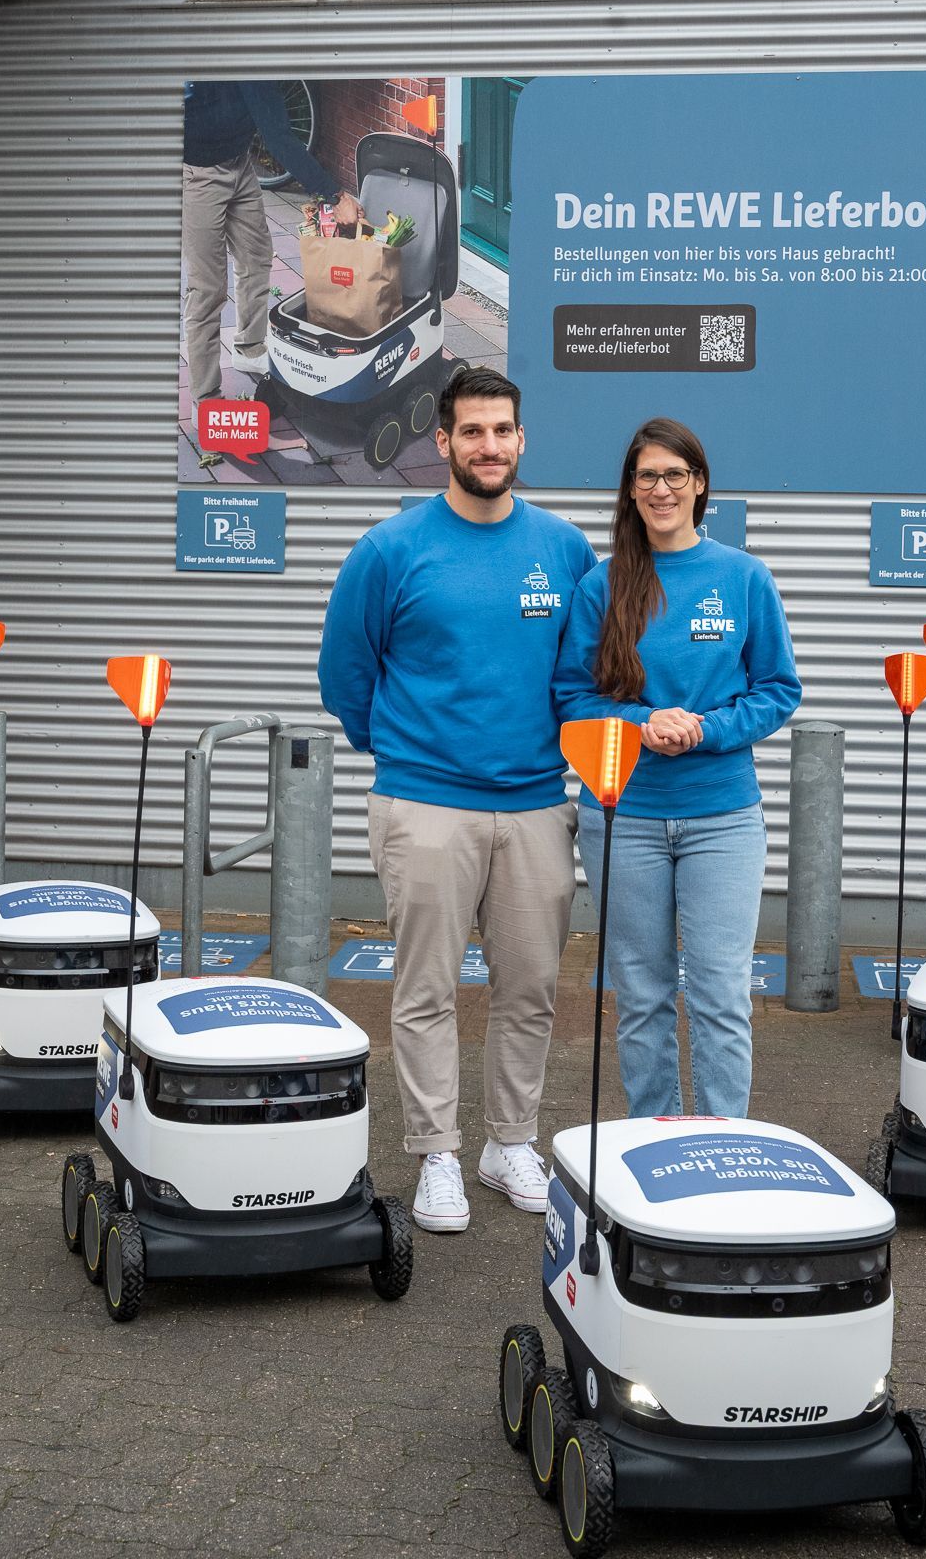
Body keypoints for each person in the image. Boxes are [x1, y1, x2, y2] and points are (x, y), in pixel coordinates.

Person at [317, 367, 596, 1232]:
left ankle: (509, 1140)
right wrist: (407, 752)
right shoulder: (391, 550)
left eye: (502, 431)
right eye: (470, 432)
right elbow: (345, 675)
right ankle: (437, 1151)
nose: (488, 446)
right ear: (440, 442)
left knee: (531, 986)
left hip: (537, 806)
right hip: (425, 805)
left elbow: (580, 675)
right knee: (426, 989)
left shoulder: (563, 550)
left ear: (522, 440)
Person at [554, 417, 800, 1120]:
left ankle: (723, 1138)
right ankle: (654, 1137)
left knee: (721, 991)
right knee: (641, 992)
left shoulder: (743, 577)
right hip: (621, 817)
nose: (661, 489)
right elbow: (571, 698)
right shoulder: (604, 586)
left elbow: (778, 689)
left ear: (699, 486)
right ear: (630, 492)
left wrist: (705, 730)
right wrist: (642, 724)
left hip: (722, 817)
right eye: (646, 477)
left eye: (675, 476)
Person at [180, 80, 362, 447]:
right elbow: (279, 138)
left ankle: (248, 348)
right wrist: (335, 195)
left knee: (257, 255)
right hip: (197, 175)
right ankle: (206, 401)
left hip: (239, 165)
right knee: (208, 290)